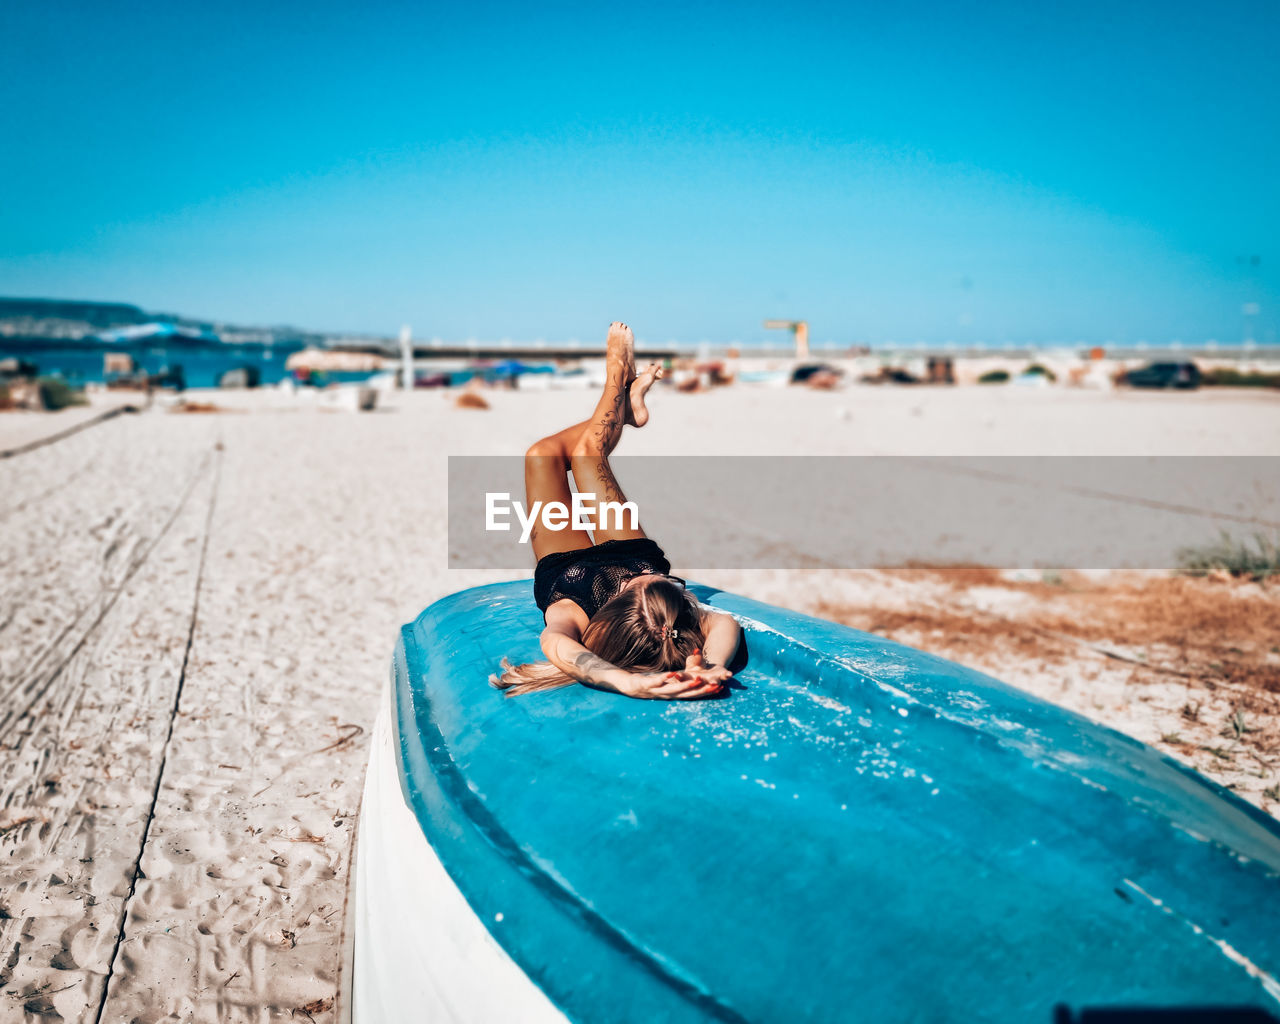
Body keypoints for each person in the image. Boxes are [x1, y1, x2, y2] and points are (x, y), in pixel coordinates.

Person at [493, 322, 742, 700]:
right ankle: (617, 378)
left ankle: (624, 403)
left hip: (566, 567)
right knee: (586, 456)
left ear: (609, 613)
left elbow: (557, 644)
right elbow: (724, 623)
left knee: (541, 455)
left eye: (631, 588)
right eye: (661, 584)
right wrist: (708, 665)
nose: (633, 580)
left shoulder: (573, 615)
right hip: (631, 550)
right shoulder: (671, 613)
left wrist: (624, 680)